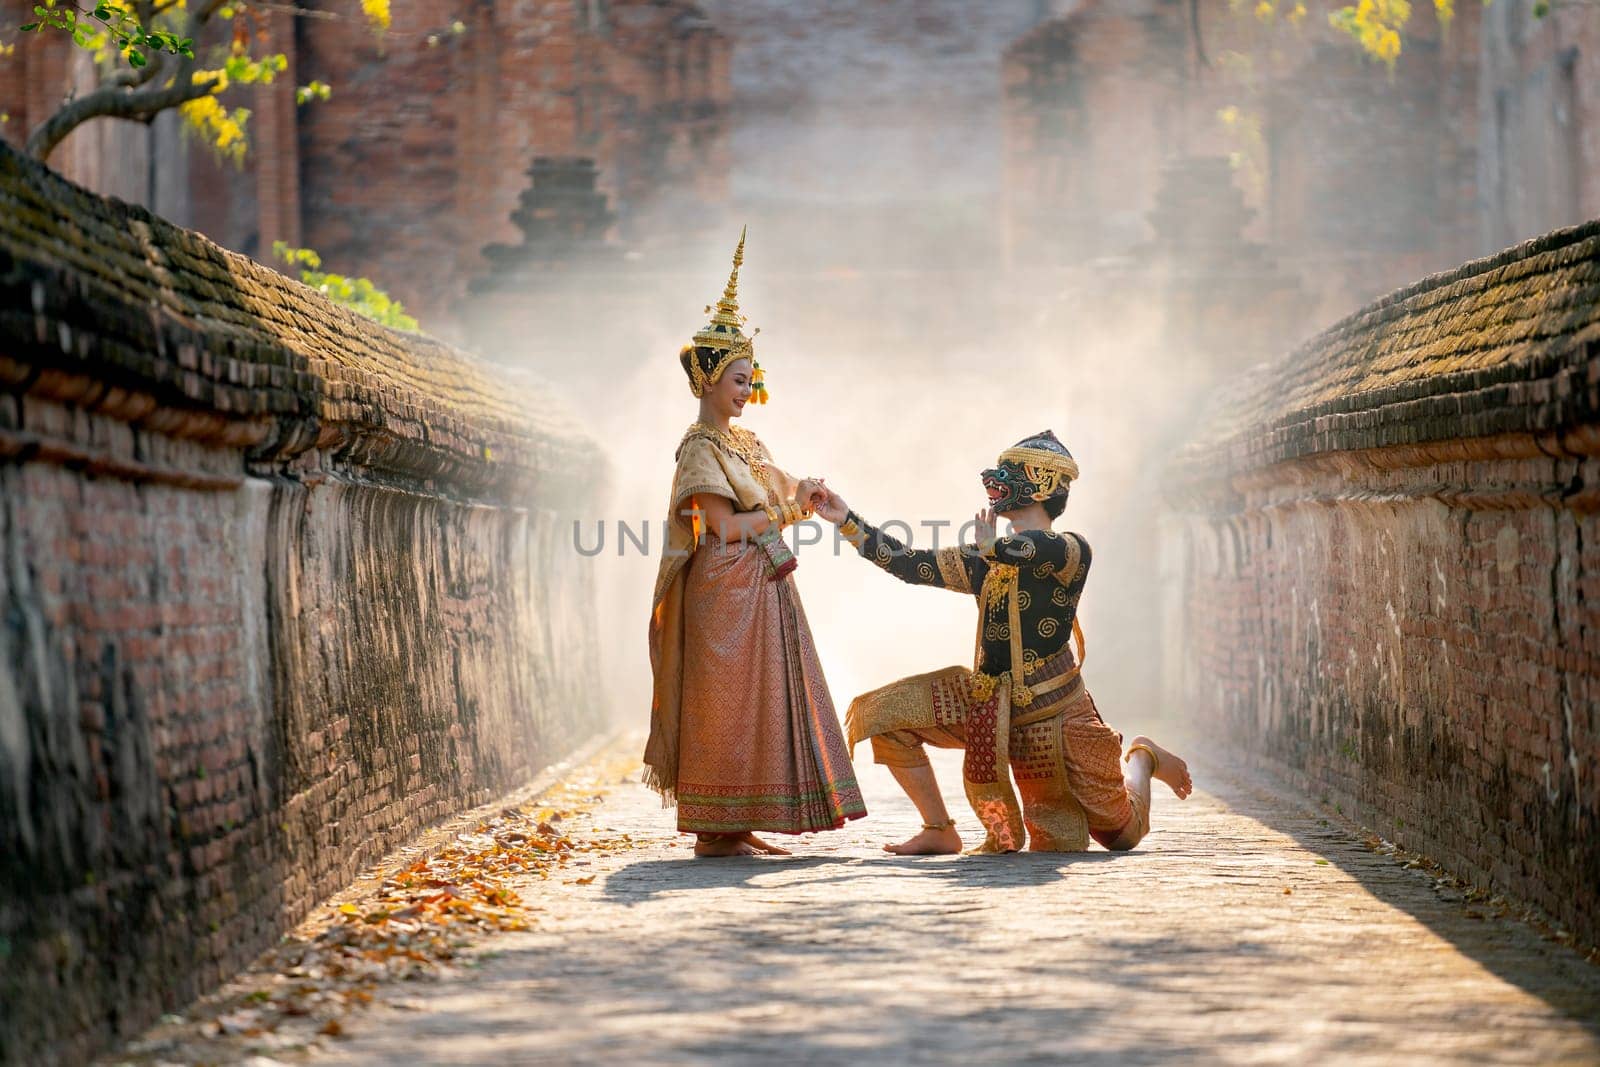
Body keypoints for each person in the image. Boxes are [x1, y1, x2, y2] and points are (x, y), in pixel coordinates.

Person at [812, 430, 1191, 855]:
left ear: (1044, 484)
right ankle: (939, 828)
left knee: (1120, 835)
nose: (994, 480)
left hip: (1056, 715)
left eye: (1010, 473)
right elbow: (907, 563)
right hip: (990, 703)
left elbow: (1037, 549)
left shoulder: (1071, 551)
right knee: (885, 717)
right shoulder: (983, 558)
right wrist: (845, 518)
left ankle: (1142, 758)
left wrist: (993, 548)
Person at [643, 229, 866, 857]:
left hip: (762, 589)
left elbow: (777, 497)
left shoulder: (748, 445)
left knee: (759, 706)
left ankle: (739, 825)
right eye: (738, 379)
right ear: (710, 378)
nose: (746, 390)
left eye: (751, 380)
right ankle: (715, 832)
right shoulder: (700, 448)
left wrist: (807, 498)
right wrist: (784, 512)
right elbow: (722, 526)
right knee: (725, 709)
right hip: (724, 593)